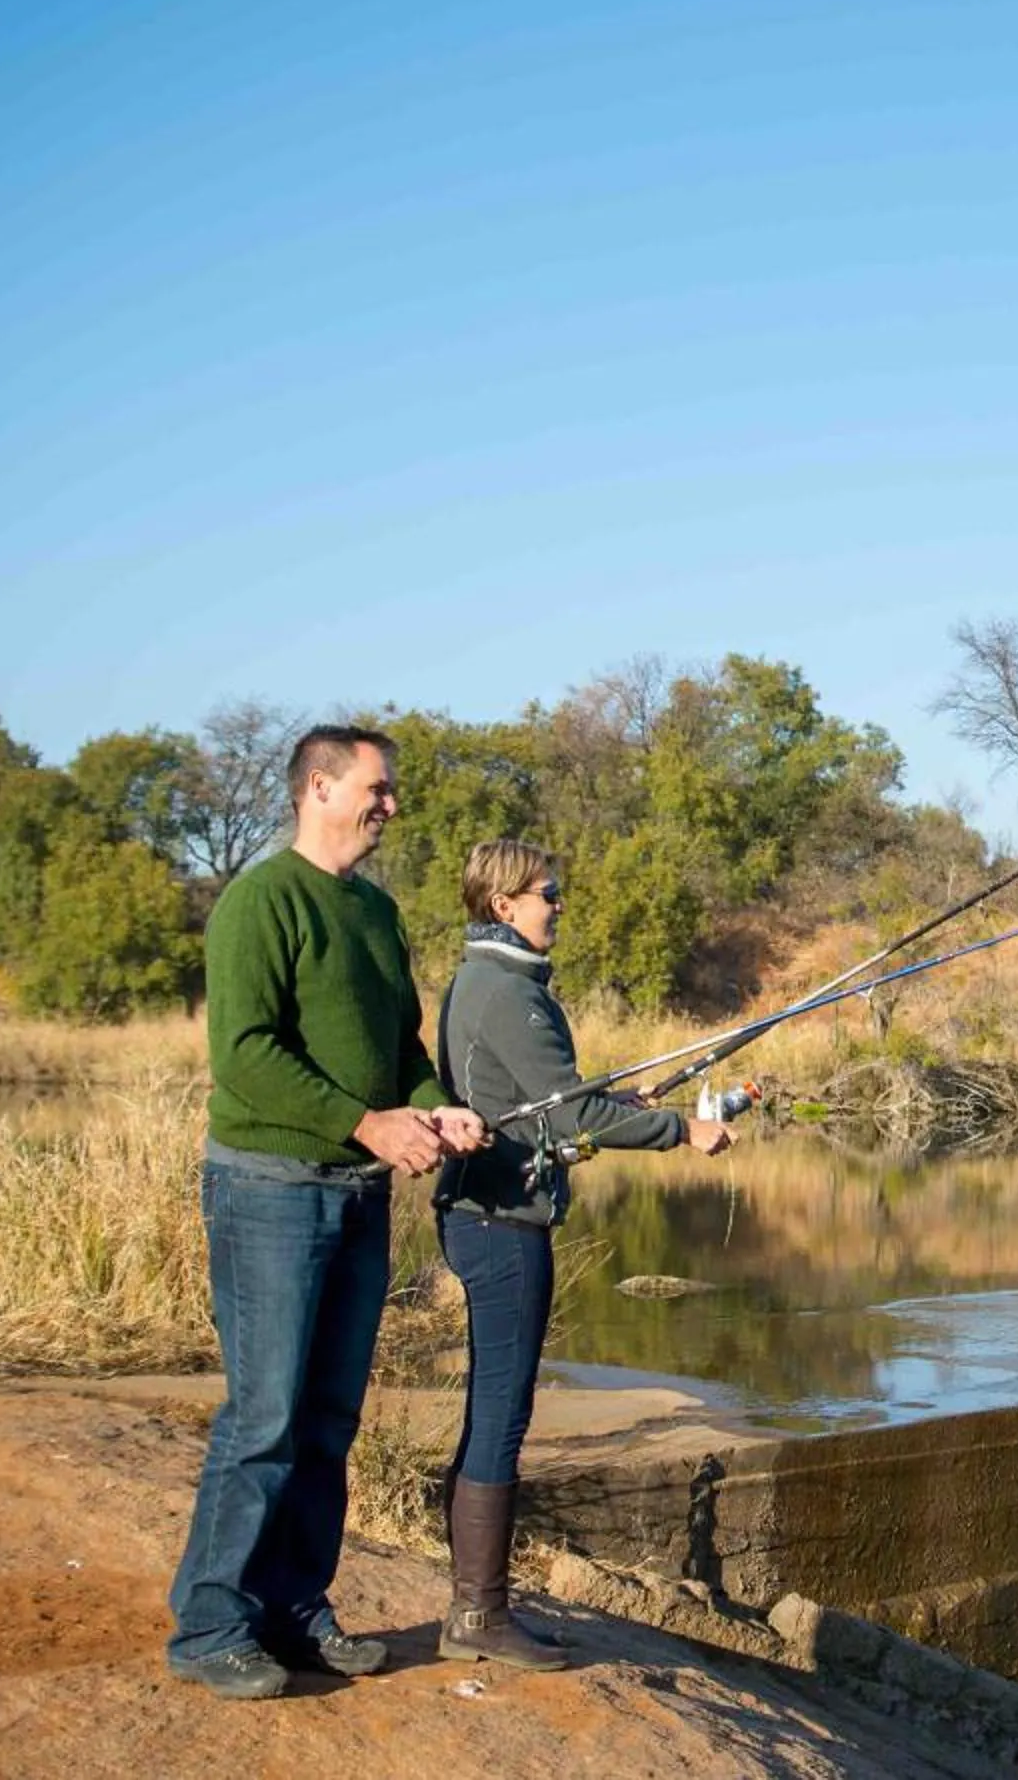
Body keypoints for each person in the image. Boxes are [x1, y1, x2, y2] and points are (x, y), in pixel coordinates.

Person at [166, 726, 488, 1700]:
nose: (391, 804)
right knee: (263, 1416)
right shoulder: (259, 900)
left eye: (391, 790)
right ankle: (212, 1625)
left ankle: (296, 1607)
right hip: (267, 1186)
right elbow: (246, 1053)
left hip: (355, 1191)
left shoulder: (375, 911)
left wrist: (435, 1102)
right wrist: (368, 1122)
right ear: (319, 785)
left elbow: (401, 1047)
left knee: (330, 1419)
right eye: (377, 788)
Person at [433, 837, 735, 1671]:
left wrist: (617, 1104)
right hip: (501, 1223)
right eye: (547, 893)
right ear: (504, 905)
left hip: (485, 1214)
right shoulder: (509, 994)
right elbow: (569, 1121)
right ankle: (478, 1616)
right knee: (502, 1410)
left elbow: (543, 1103)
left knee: (496, 1405)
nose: (558, 905)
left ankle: (476, 1604)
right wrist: (682, 1129)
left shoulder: (483, 982)